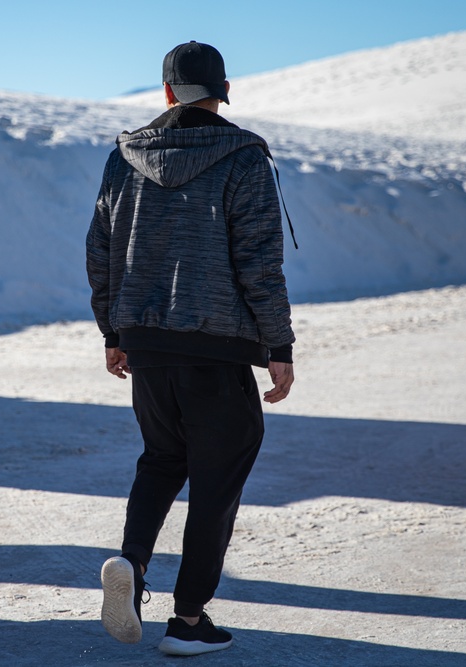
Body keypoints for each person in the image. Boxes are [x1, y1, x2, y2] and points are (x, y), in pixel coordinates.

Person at [86, 41, 296, 656]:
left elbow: (100, 251)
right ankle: (188, 620)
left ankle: (132, 563)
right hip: (219, 347)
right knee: (217, 479)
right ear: (221, 91)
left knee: (161, 458)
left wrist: (114, 333)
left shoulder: (123, 156)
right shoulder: (242, 156)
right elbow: (260, 260)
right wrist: (277, 343)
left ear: (168, 93)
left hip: (146, 347)